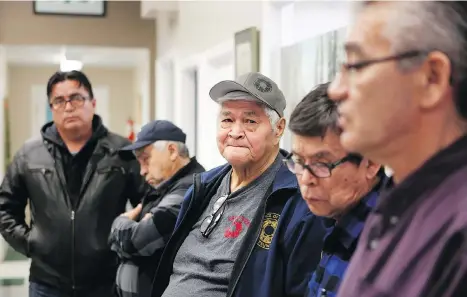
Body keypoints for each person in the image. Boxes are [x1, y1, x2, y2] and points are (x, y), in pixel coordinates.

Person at [328, 1, 467, 296]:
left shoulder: (458, 231)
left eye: (356, 66)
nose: (336, 89)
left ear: (431, 78)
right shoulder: (398, 199)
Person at [150, 72, 327, 297]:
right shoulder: (203, 187)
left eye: (250, 121)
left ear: (279, 129)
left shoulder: (297, 199)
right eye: (227, 120)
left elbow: (300, 289)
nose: (235, 132)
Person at [0, 70, 152, 297]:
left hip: (106, 281)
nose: (68, 107)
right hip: (46, 283)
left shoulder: (122, 152)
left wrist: (127, 241)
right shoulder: (29, 155)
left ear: (93, 102)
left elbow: (149, 201)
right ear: (51, 108)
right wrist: (31, 243)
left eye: (76, 98)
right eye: (59, 101)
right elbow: (5, 208)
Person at [286, 82, 384, 297]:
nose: (306, 179)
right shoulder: (335, 221)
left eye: (322, 164)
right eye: (299, 162)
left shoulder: (389, 245)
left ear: (371, 162)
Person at [109, 120, 205, 297]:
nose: (142, 171)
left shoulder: (189, 188)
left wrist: (119, 222)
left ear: (172, 151)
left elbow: (137, 241)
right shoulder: (163, 187)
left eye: (145, 159)